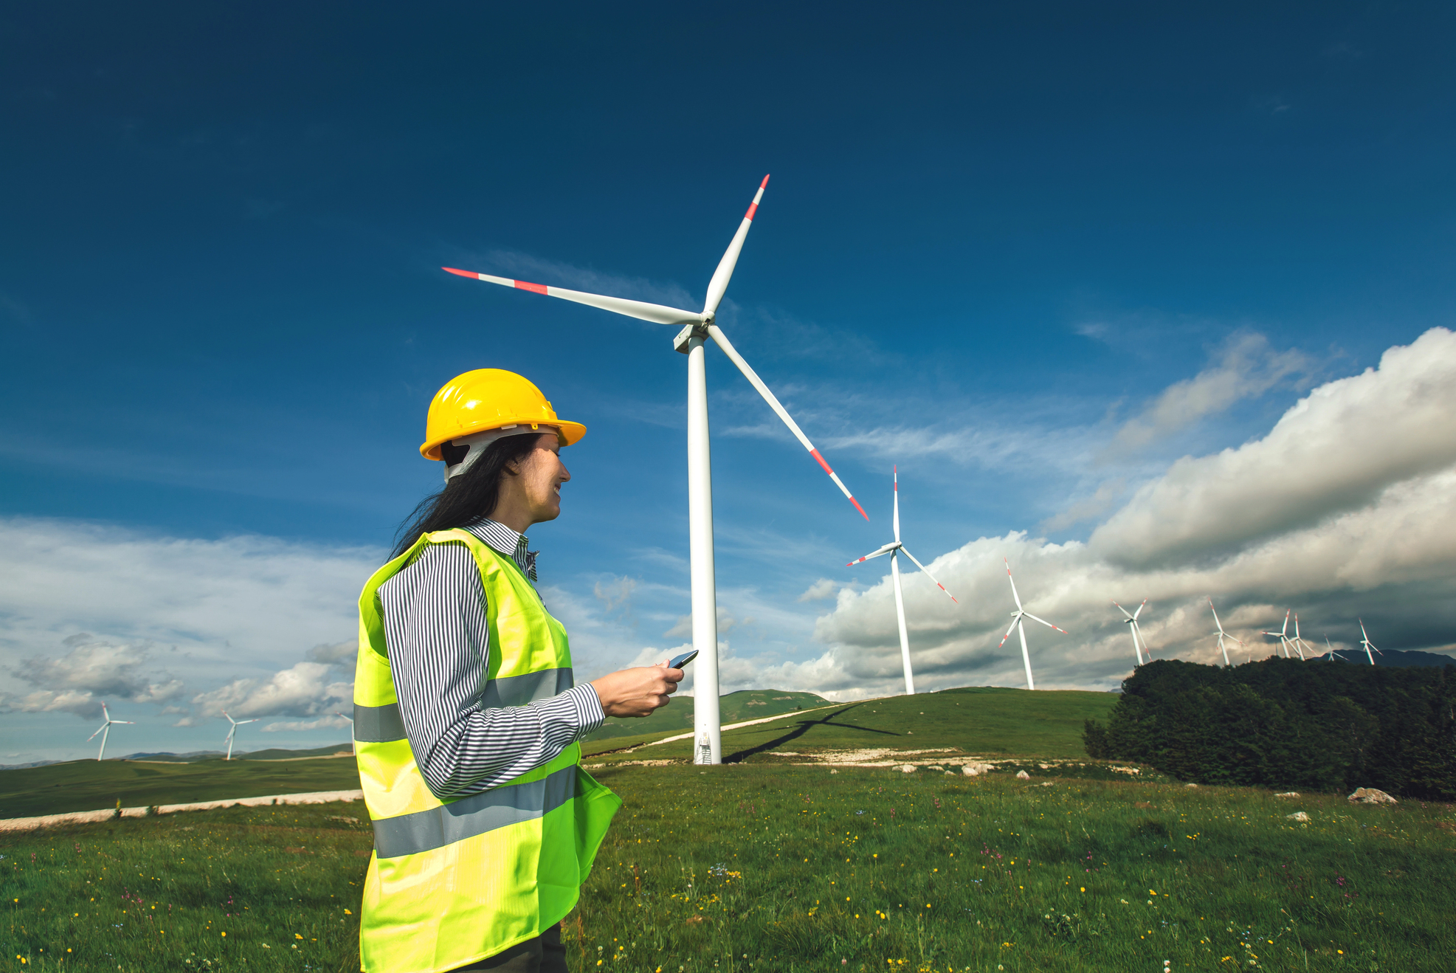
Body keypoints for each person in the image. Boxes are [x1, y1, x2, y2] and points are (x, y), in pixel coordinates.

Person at [352, 368, 683, 973]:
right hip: (458, 931)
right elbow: (449, 756)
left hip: (510, 910)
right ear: (507, 457)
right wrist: (599, 700)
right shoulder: (445, 569)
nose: (565, 470)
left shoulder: (500, 574)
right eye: (553, 450)